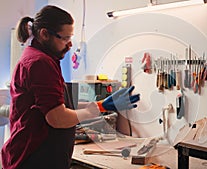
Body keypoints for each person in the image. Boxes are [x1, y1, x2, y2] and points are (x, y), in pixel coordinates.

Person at [1, 5, 140, 169]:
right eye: (64, 39)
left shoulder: (43, 58)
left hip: (38, 154)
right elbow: (57, 118)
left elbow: (57, 105)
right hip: (34, 157)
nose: (69, 45)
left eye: (70, 38)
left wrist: (101, 105)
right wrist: (93, 111)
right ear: (44, 34)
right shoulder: (40, 63)